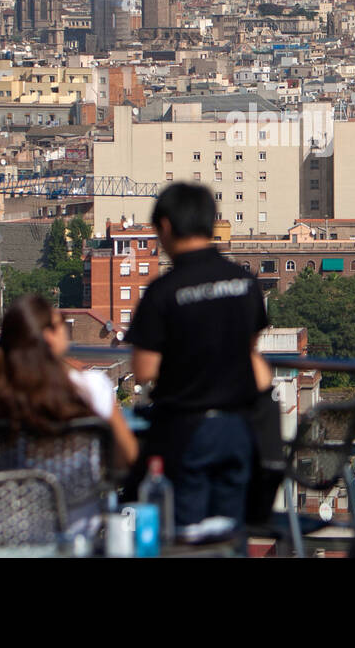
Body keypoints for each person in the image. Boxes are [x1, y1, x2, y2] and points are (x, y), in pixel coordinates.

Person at [126, 182, 272, 532]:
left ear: (166, 228)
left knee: (188, 535)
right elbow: (248, 350)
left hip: (186, 431)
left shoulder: (163, 292)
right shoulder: (244, 282)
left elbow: (144, 370)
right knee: (228, 532)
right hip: (238, 429)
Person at [0, 294, 139, 476]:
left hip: (18, 508)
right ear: (49, 336)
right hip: (82, 508)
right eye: (61, 323)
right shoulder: (92, 387)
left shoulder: (1, 396)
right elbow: (127, 456)